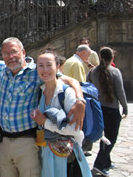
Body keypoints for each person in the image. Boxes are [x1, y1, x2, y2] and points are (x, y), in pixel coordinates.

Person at [0, 37, 85, 177]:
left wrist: (80, 101)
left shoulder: (37, 71)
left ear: (23, 52)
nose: (10, 57)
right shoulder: (4, 69)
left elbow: (69, 80)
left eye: (14, 52)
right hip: (4, 142)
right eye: (6, 53)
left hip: (27, 142)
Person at [31, 48, 91, 177]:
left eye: (49, 65)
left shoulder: (66, 93)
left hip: (65, 156)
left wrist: (45, 122)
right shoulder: (40, 91)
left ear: (58, 66)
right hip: (46, 154)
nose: (45, 70)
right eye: (40, 65)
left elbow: (75, 130)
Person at [88, 47, 128, 177]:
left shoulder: (92, 71)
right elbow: (120, 92)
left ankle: (106, 162)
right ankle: (99, 165)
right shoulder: (115, 72)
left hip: (97, 109)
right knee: (111, 138)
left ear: (100, 57)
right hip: (111, 109)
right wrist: (125, 108)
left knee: (105, 137)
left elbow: (87, 88)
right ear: (112, 58)